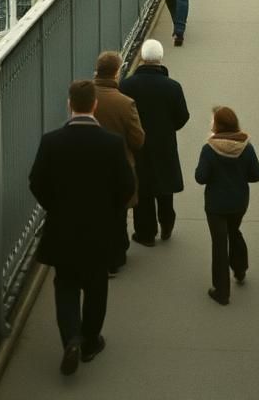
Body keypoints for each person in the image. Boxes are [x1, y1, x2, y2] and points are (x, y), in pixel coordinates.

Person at [29, 79, 135, 375]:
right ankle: (90, 342)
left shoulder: (51, 141)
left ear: (69, 104)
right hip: (100, 230)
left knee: (65, 285)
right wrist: (110, 211)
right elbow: (127, 186)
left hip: (63, 229)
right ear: (95, 106)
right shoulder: (112, 144)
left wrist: (57, 207)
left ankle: (70, 339)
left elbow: (36, 183)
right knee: (96, 285)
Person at [120, 38, 190, 245]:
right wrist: (168, 129)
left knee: (143, 187)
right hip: (164, 143)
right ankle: (167, 223)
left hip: (138, 144)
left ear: (142, 58)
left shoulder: (127, 85)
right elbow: (182, 116)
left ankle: (146, 233)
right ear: (160, 59)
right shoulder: (173, 87)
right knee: (164, 185)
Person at [194, 106, 259, 305]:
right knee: (234, 230)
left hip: (216, 205)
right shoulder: (246, 147)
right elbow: (257, 174)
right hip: (239, 202)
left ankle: (222, 291)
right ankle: (240, 268)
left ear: (218, 125)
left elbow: (200, 177)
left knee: (219, 243)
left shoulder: (209, 149)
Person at [93, 51, 145, 272]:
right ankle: (115, 259)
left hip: (92, 167)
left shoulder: (85, 96)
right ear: (116, 73)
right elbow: (138, 139)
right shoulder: (125, 103)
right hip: (119, 166)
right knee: (118, 213)